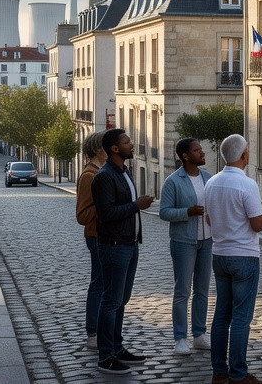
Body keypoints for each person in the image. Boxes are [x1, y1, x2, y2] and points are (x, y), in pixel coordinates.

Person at [205, 134, 262, 384]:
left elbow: (209, 219)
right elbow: (259, 223)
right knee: (241, 317)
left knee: (221, 314)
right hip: (244, 255)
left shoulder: (211, 183)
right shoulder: (247, 185)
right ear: (244, 155)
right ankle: (239, 374)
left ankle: (219, 372)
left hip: (219, 254)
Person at [91, 128, 153, 375]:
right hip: (114, 246)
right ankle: (106, 356)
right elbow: (105, 215)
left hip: (129, 243)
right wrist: (136, 205)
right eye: (126, 142)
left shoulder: (123, 172)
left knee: (121, 301)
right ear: (115, 148)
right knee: (110, 300)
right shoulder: (104, 177)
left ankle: (117, 347)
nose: (131, 144)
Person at [159, 138, 214, 356]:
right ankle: (180, 338)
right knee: (182, 291)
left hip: (207, 240)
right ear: (185, 156)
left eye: (201, 149)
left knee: (202, 290)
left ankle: (199, 334)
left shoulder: (208, 177)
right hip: (184, 241)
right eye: (197, 150)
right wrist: (187, 212)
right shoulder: (173, 181)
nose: (202, 153)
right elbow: (164, 212)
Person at [75, 130, 107, 351]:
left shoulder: (102, 172)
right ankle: (93, 333)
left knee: (105, 285)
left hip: (106, 237)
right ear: (98, 149)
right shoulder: (89, 176)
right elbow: (82, 216)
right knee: (98, 284)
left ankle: (102, 330)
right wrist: (107, 202)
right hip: (96, 237)